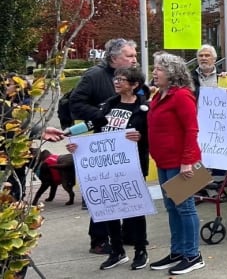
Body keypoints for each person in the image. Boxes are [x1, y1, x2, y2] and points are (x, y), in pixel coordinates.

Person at [64, 67, 151, 270]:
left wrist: (140, 137)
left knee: (134, 209)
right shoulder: (109, 104)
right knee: (110, 208)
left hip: (131, 165)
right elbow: (94, 124)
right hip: (107, 166)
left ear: (134, 84)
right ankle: (117, 251)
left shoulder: (143, 108)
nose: (117, 82)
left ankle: (140, 250)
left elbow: (152, 134)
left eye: (122, 79)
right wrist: (70, 136)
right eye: (116, 78)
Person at [69, 38, 138, 254]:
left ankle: (127, 234)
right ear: (114, 58)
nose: (135, 59)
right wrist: (102, 115)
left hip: (127, 144)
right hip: (104, 145)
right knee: (105, 193)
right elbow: (75, 104)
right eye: (130, 56)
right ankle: (99, 240)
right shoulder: (94, 76)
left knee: (126, 190)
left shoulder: (134, 76)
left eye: (135, 55)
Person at [146, 53, 205, 275]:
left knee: (185, 208)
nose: (154, 72)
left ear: (172, 73)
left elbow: (192, 129)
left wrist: (187, 162)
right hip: (163, 160)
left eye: (158, 69)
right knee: (171, 208)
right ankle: (178, 251)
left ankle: (193, 254)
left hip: (181, 162)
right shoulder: (158, 96)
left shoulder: (181, 96)